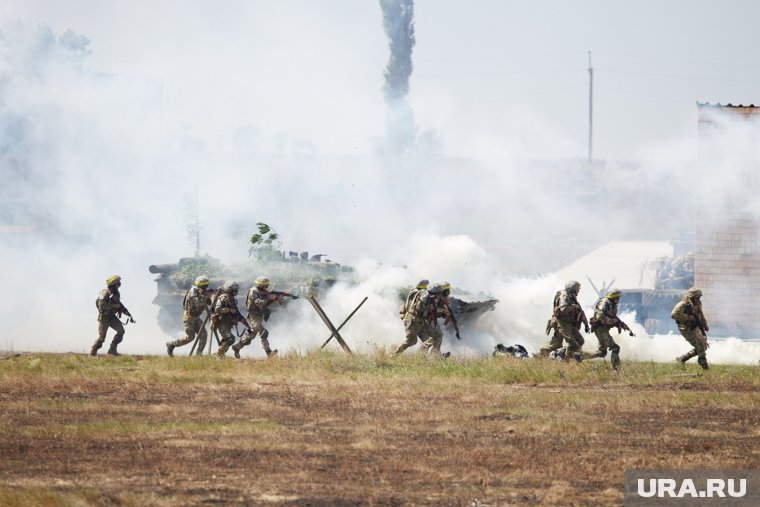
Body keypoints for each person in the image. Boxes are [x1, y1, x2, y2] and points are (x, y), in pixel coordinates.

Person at [233, 277, 289, 358]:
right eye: (265, 286)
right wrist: (270, 297)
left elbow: (267, 304)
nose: (266, 288)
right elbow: (259, 302)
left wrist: (275, 299)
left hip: (259, 315)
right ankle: (269, 352)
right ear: (260, 285)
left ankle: (237, 347)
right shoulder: (253, 291)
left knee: (251, 335)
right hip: (253, 315)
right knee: (263, 332)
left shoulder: (263, 292)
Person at [166, 276, 212, 357]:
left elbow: (209, 303)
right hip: (189, 318)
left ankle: (199, 355)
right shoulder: (193, 291)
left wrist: (210, 296)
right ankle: (171, 344)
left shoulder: (201, 291)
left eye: (206, 286)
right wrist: (207, 296)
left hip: (196, 317)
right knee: (190, 337)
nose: (205, 287)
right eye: (203, 286)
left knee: (204, 335)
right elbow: (199, 304)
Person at [589, 288, 633, 370]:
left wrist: (620, 324)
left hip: (603, 329)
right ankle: (616, 369)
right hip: (600, 329)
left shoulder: (612, 304)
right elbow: (600, 316)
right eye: (617, 297)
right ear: (612, 297)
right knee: (615, 348)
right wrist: (614, 321)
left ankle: (579, 356)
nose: (618, 299)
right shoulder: (604, 302)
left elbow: (612, 316)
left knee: (602, 352)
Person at [91, 275, 134, 357]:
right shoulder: (105, 293)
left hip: (112, 317)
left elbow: (119, 304)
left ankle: (112, 350)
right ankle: (93, 353)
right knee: (101, 338)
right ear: (113, 284)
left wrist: (126, 312)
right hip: (104, 317)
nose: (119, 285)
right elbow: (101, 307)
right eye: (118, 284)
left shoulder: (116, 293)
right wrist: (114, 306)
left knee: (121, 331)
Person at [395, 283, 441, 355]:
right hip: (413, 321)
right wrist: (431, 309)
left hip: (420, 321)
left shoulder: (426, 295)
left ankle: (432, 355)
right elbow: (419, 310)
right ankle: (394, 354)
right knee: (410, 341)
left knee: (436, 336)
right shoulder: (425, 296)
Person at [671, 287, 709, 369]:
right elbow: (673, 315)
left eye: (699, 297)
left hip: (694, 326)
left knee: (703, 346)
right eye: (697, 297)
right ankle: (704, 364)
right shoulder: (683, 304)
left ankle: (682, 358)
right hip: (685, 328)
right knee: (700, 344)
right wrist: (688, 317)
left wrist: (704, 324)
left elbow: (700, 314)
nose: (699, 299)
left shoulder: (698, 303)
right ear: (691, 296)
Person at [420, 281, 459, 357]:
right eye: (447, 291)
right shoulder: (434, 297)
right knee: (437, 335)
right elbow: (430, 309)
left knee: (438, 335)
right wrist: (443, 311)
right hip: (427, 320)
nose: (448, 293)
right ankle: (425, 351)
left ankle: (434, 353)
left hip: (430, 320)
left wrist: (445, 311)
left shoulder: (440, 297)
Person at [212, 281, 246, 358]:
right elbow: (217, 309)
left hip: (228, 323)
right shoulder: (223, 297)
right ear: (230, 290)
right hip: (222, 322)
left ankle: (220, 354)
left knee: (226, 339)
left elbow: (235, 312)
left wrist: (240, 319)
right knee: (231, 339)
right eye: (235, 290)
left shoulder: (232, 299)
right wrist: (228, 310)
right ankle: (218, 354)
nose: (236, 292)